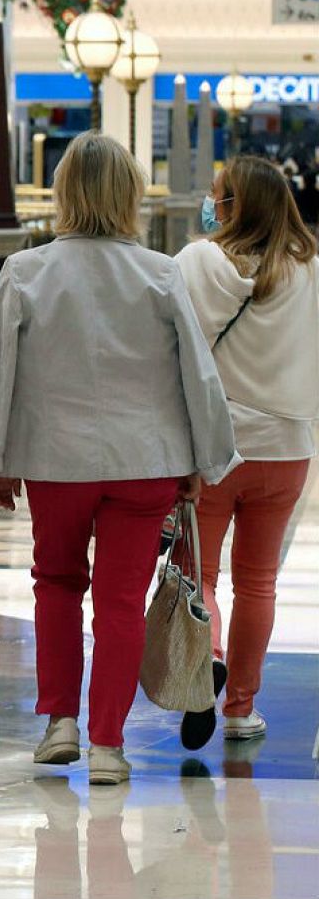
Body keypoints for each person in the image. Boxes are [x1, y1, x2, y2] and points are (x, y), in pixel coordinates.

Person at [0, 131, 239, 786]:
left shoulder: (26, 271)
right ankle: (109, 744)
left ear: (63, 193)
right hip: (145, 460)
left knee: (56, 583)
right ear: (129, 196)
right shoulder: (161, 272)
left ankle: (60, 721)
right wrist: (203, 460)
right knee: (120, 600)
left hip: (54, 460)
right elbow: (196, 375)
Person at [174, 155, 319, 747]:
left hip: (213, 446)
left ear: (234, 206)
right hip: (286, 447)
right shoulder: (309, 272)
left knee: (200, 574)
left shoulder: (198, 262)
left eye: (217, 195)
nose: (210, 204)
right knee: (258, 581)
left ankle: (207, 658)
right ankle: (240, 710)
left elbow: (171, 346)